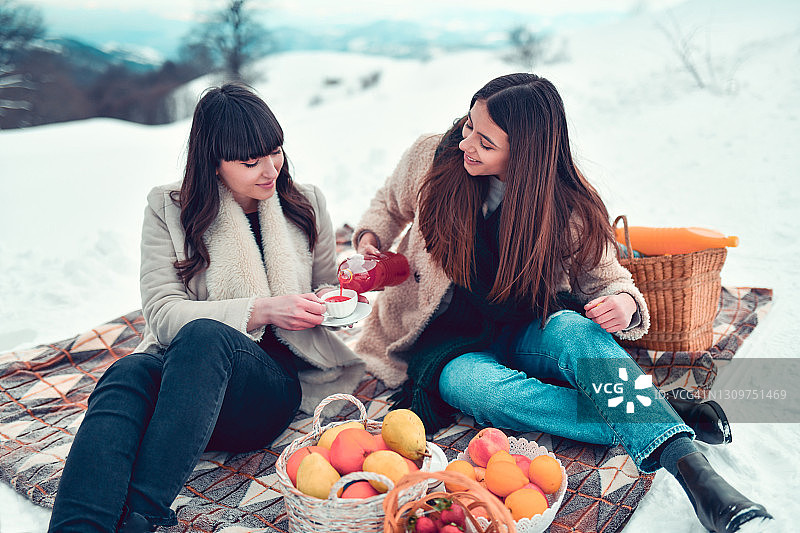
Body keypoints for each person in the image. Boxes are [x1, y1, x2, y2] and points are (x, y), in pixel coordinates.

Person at [353, 73, 771, 533]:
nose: (466, 143)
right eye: (469, 124)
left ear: (525, 153)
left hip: (526, 321)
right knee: (482, 392)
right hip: (445, 339)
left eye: (485, 141)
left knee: (578, 334)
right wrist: (371, 238)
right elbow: (388, 205)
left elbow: (611, 281)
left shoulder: (566, 206)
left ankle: (696, 475)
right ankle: (653, 407)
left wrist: (624, 305)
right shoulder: (433, 158)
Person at [48, 83, 365, 533]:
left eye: (274, 151)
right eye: (248, 161)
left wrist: (343, 292)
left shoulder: (305, 201)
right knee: (126, 372)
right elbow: (161, 312)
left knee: (204, 336)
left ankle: (141, 515)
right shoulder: (169, 207)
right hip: (184, 396)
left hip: (264, 392)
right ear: (212, 160)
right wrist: (262, 309)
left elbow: (326, 287)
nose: (268, 169)